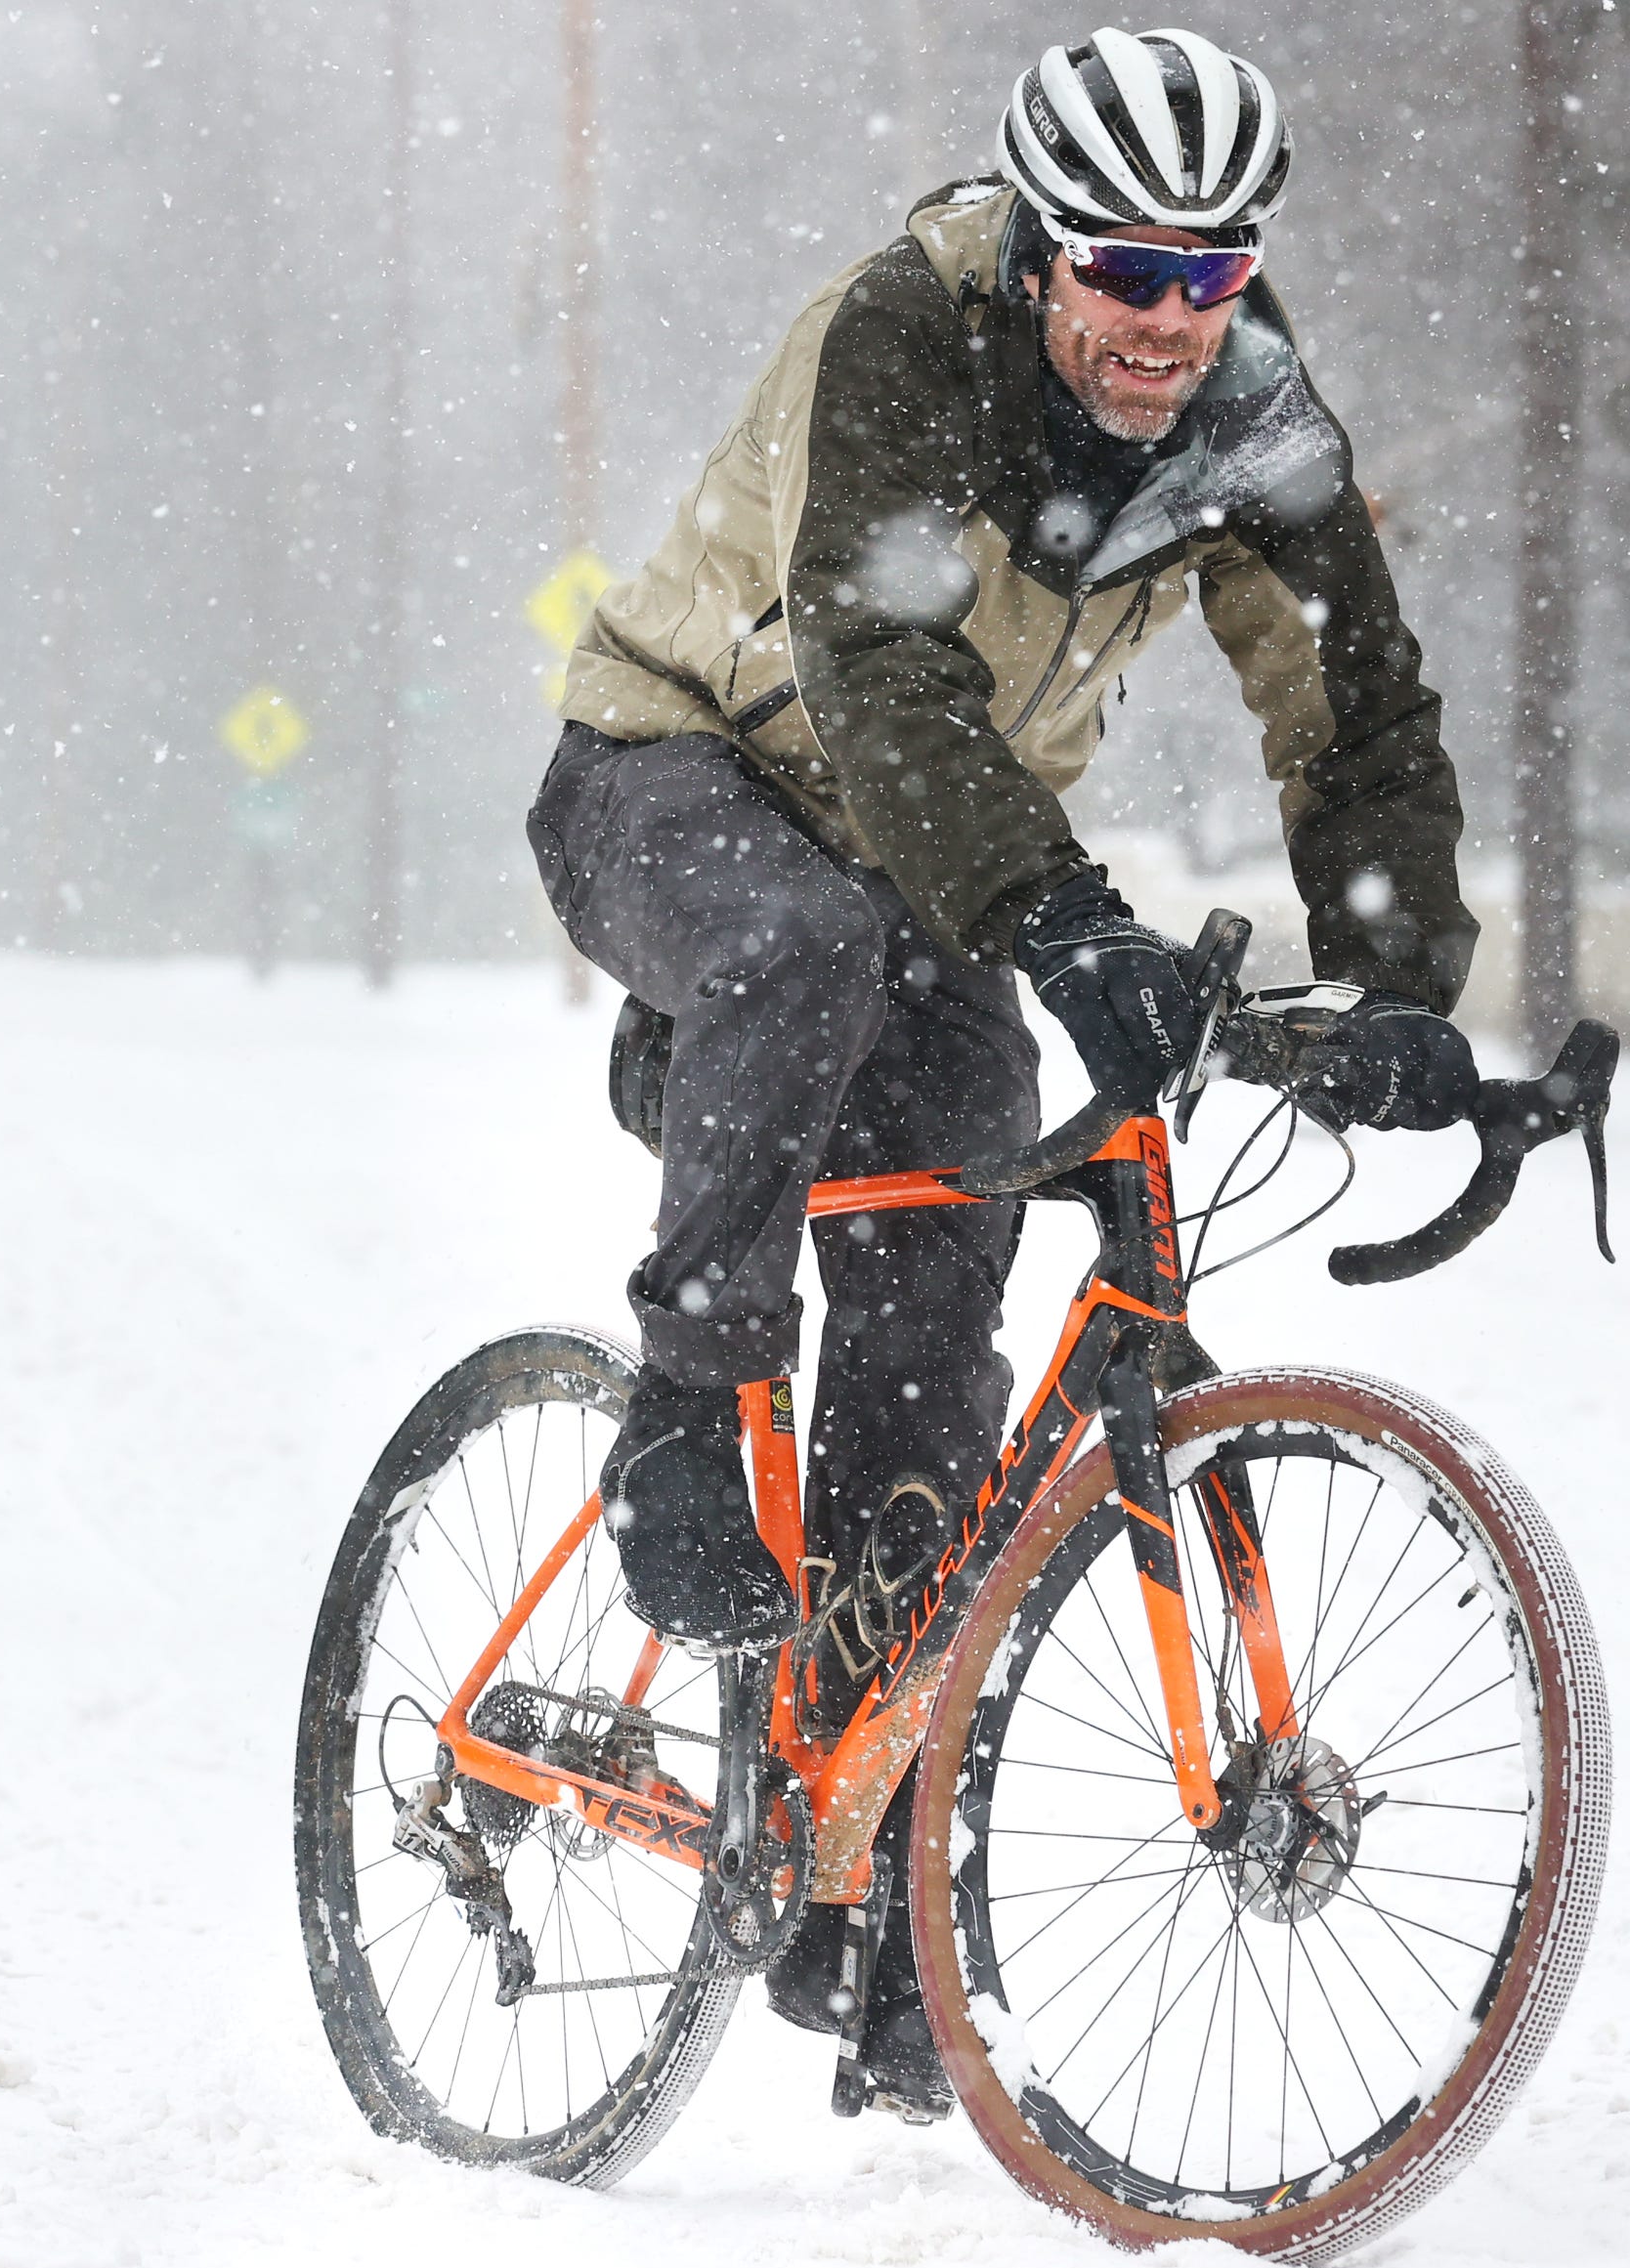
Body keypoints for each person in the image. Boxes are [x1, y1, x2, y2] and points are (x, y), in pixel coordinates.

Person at [525, 30, 1485, 2108]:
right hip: (669, 773)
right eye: (1125, 268)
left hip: (922, 853)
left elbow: (1356, 700)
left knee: (933, 1335)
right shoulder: (906, 334)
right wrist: (1061, 916)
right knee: (789, 947)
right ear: (1047, 244)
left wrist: (1403, 984)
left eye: (1210, 275)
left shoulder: (1241, 398)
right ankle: (681, 1419)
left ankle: (855, 1894)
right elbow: (871, 662)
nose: (1164, 321)